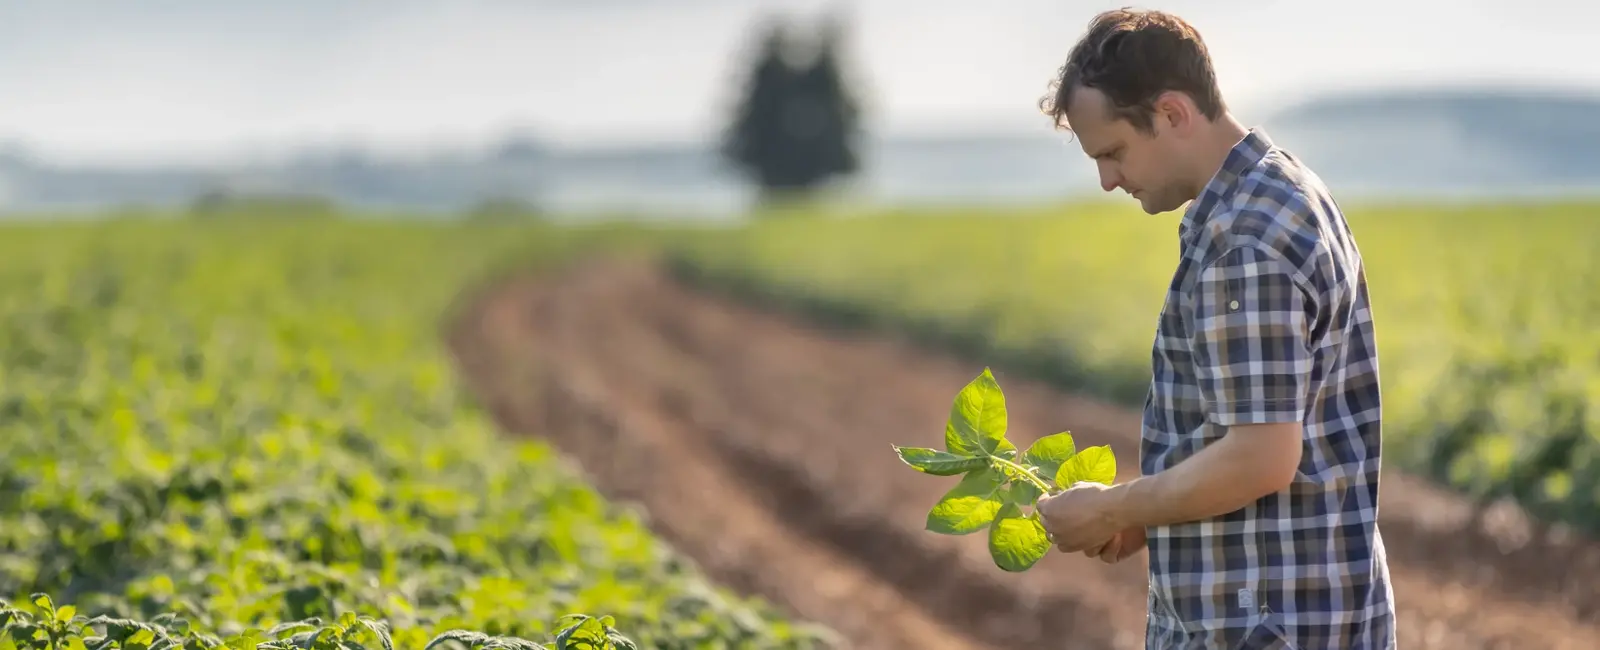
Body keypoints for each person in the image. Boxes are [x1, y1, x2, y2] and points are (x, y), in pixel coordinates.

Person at [1030, 8, 1396, 649]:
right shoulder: (1282, 189)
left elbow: (1260, 458)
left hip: (1261, 626)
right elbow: (1258, 432)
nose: (1107, 180)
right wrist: (1151, 516)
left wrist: (1115, 506)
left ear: (1172, 113)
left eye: (1113, 152)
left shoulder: (1243, 241)